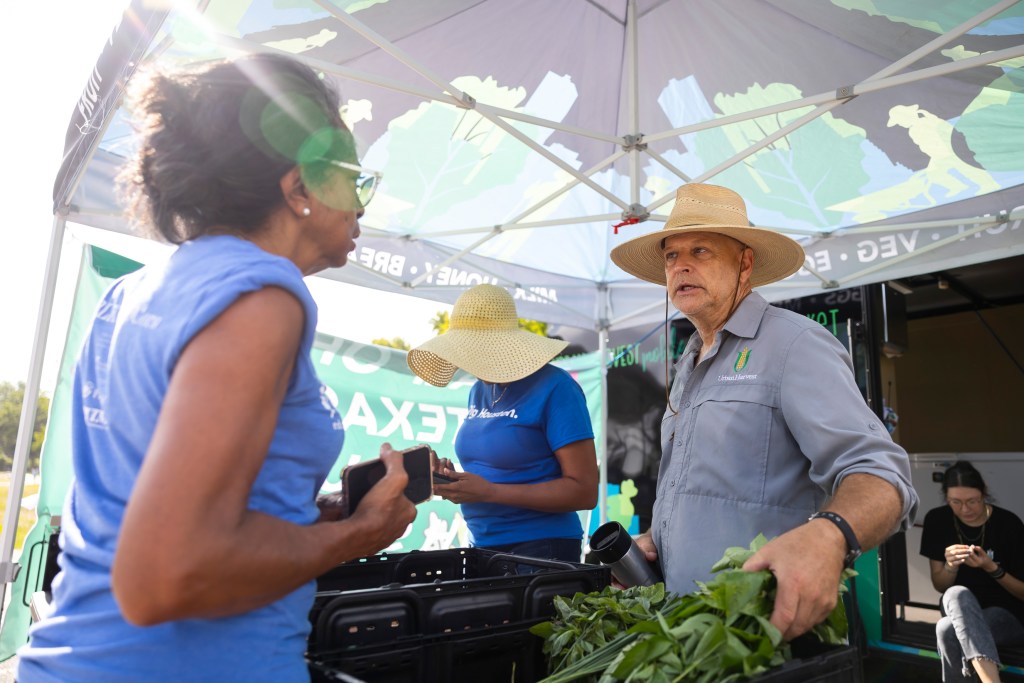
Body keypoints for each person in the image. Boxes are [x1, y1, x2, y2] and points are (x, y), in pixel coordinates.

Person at [17, 54, 416, 683]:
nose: (363, 205)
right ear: (298, 188)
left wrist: (317, 518)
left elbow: (157, 508)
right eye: (353, 180)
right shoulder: (263, 297)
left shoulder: (138, 292)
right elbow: (166, 575)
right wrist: (358, 536)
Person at [608, 182, 919, 640]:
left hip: (765, 635)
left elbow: (883, 475)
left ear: (745, 264)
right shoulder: (690, 360)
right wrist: (659, 538)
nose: (681, 265)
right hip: (686, 632)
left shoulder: (796, 344)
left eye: (701, 250)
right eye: (671, 255)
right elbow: (711, 492)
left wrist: (830, 534)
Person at [406, 283, 598, 563]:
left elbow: (584, 491)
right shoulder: (479, 390)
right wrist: (454, 480)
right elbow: (496, 468)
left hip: (541, 549)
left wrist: (490, 491)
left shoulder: (556, 387)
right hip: (481, 545)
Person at [919, 461, 1024, 683]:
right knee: (956, 594)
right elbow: (939, 585)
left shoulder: (1008, 524)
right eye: (955, 502)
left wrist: (991, 568)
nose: (965, 509)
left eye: (972, 501)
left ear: (983, 492)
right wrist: (950, 565)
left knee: (947, 630)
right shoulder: (937, 520)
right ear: (946, 498)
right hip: (957, 609)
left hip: (1008, 614)